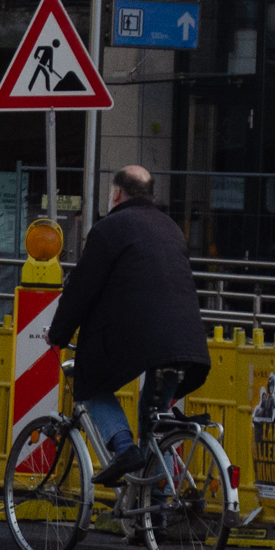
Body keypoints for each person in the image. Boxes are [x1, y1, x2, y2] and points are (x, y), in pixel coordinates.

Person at [45, 165, 210, 483]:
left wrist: (59, 334)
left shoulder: (110, 228)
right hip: (188, 343)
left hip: (144, 340)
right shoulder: (172, 228)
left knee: (90, 384)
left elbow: (81, 289)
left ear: (117, 194)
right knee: (154, 424)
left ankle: (122, 448)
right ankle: (154, 518)